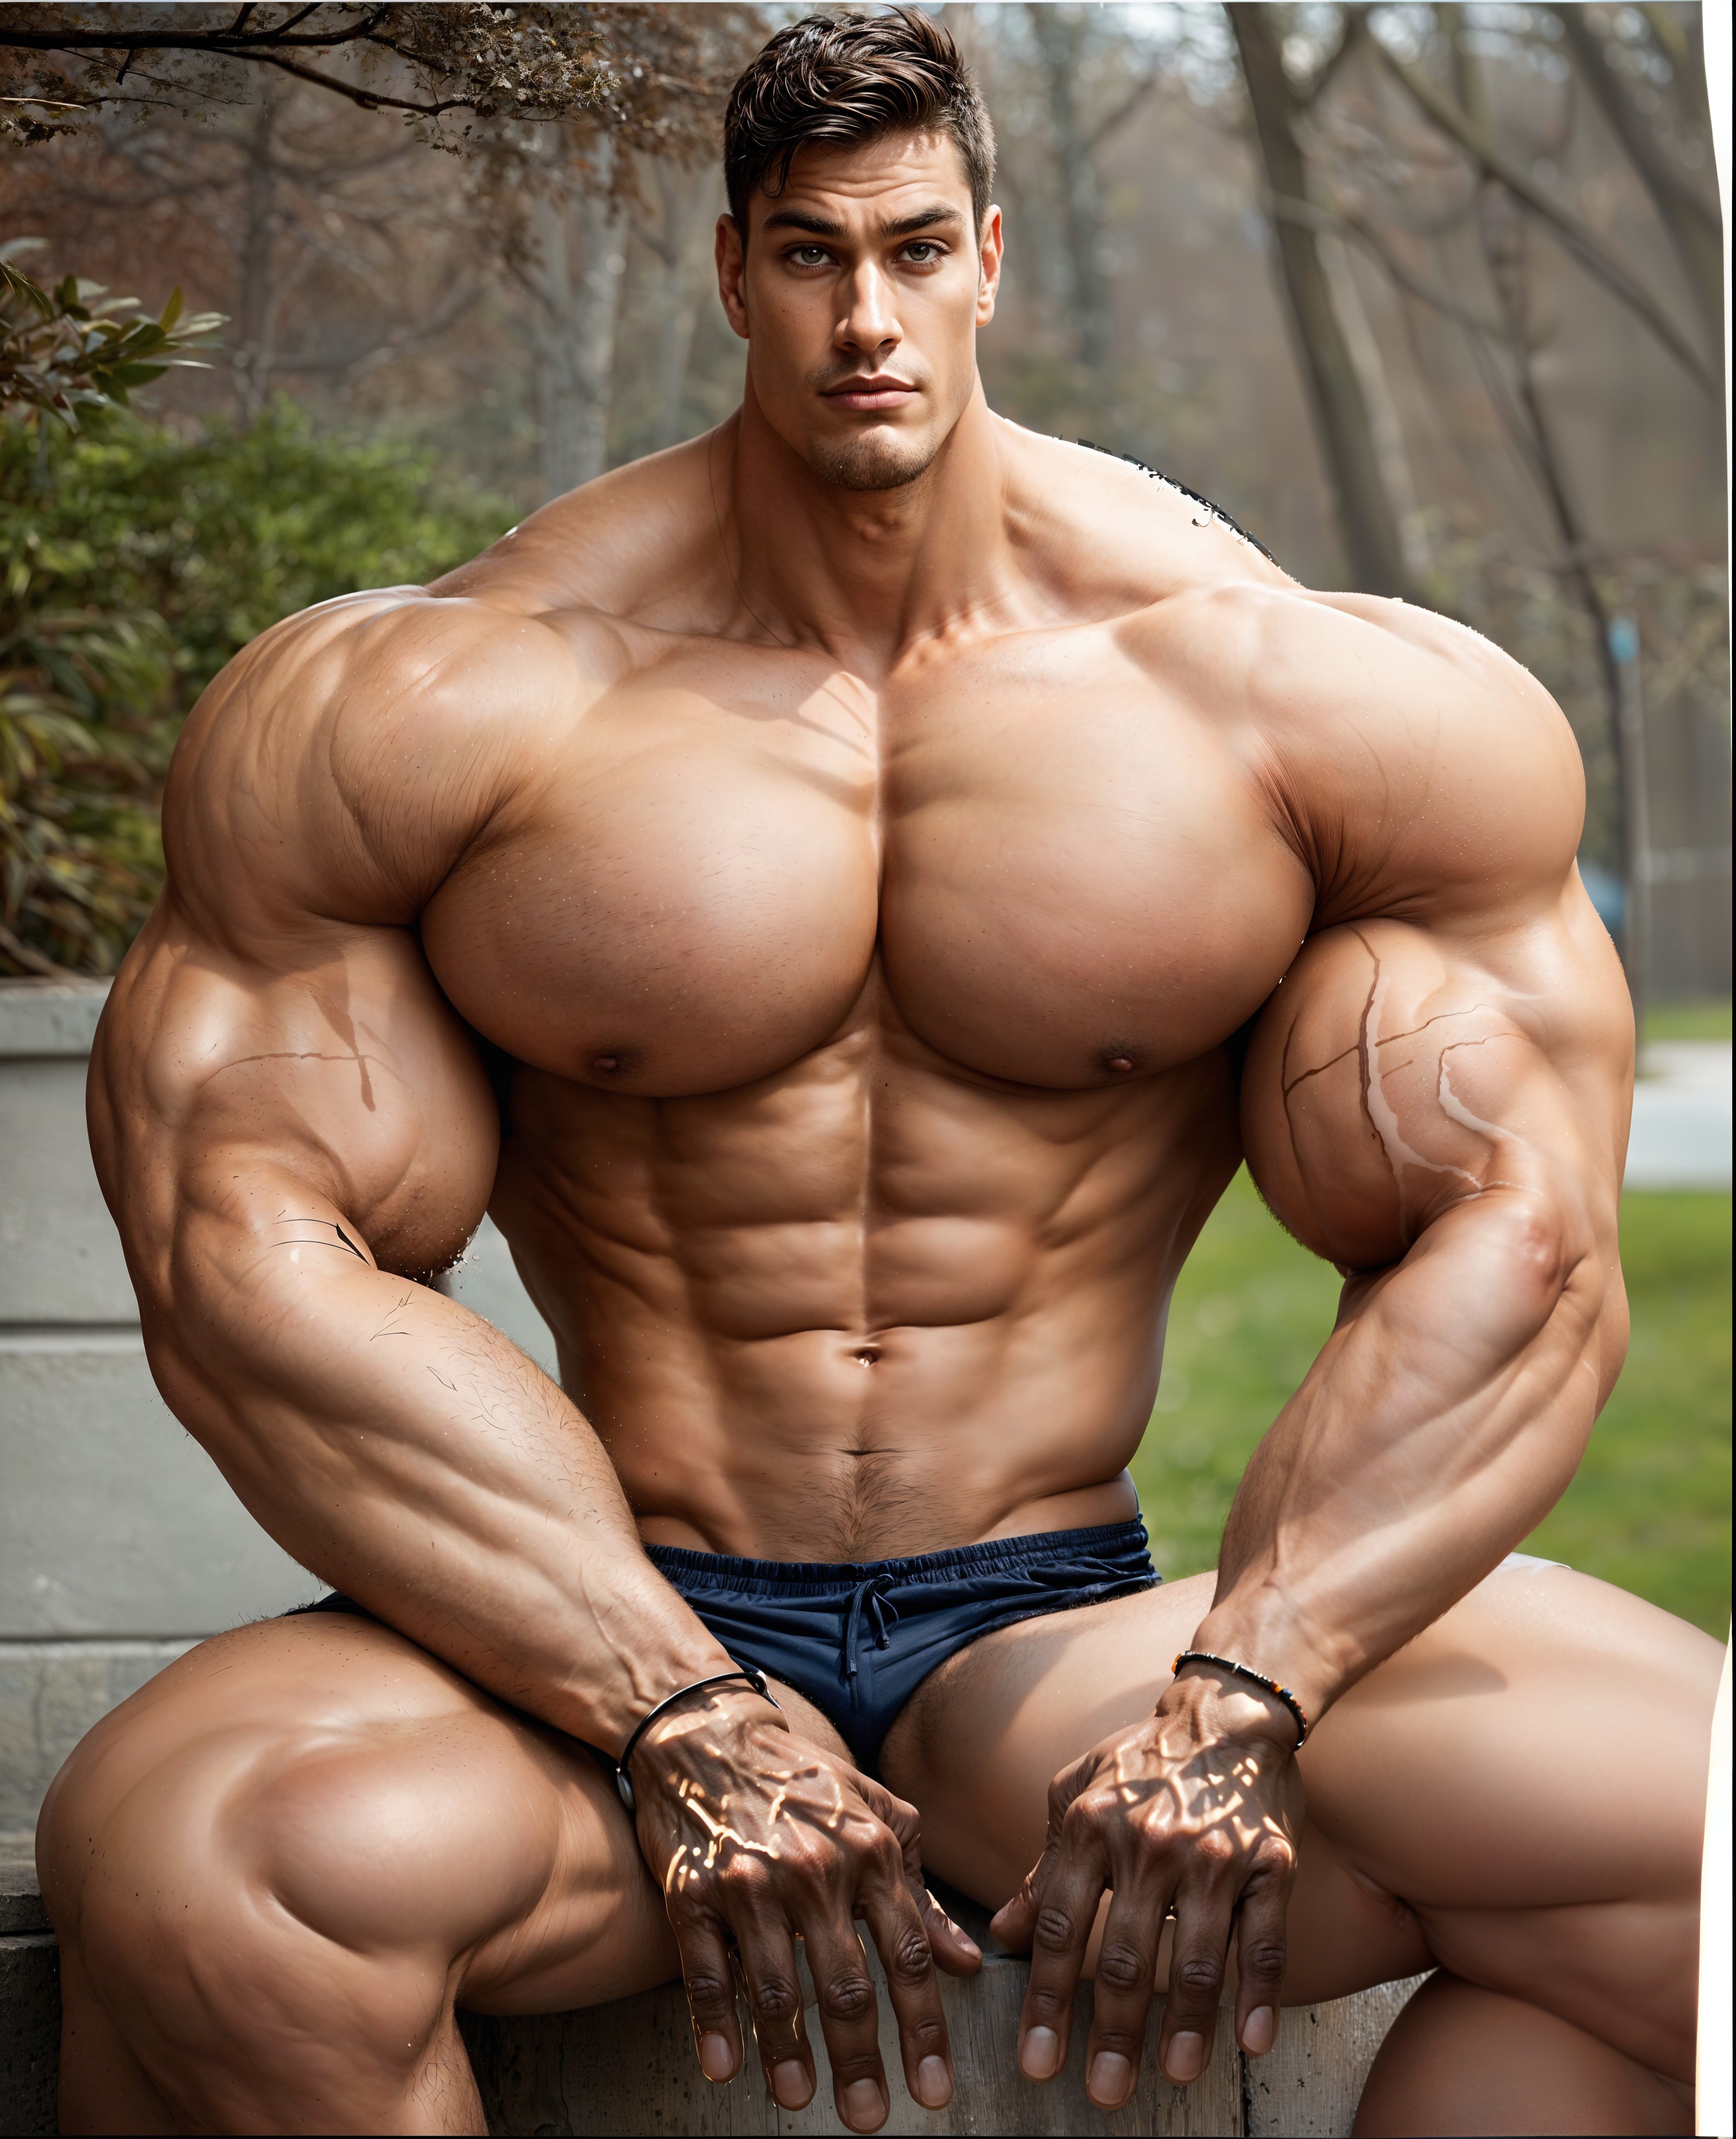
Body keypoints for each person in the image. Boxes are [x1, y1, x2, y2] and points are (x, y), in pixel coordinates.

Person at [41, 12, 1716, 2136]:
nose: (865, 316)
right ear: (731, 272)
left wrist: (1246, 1687)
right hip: (583, 1638)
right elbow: (240, 1255)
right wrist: (671, 1703)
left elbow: (1530, 1244)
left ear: (992, 260)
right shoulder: (445, 700)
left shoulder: (1295, 702)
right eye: (810, 255)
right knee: (198, 1866)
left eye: (915, 250)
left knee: (1696, 1840)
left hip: (1062, 1652)